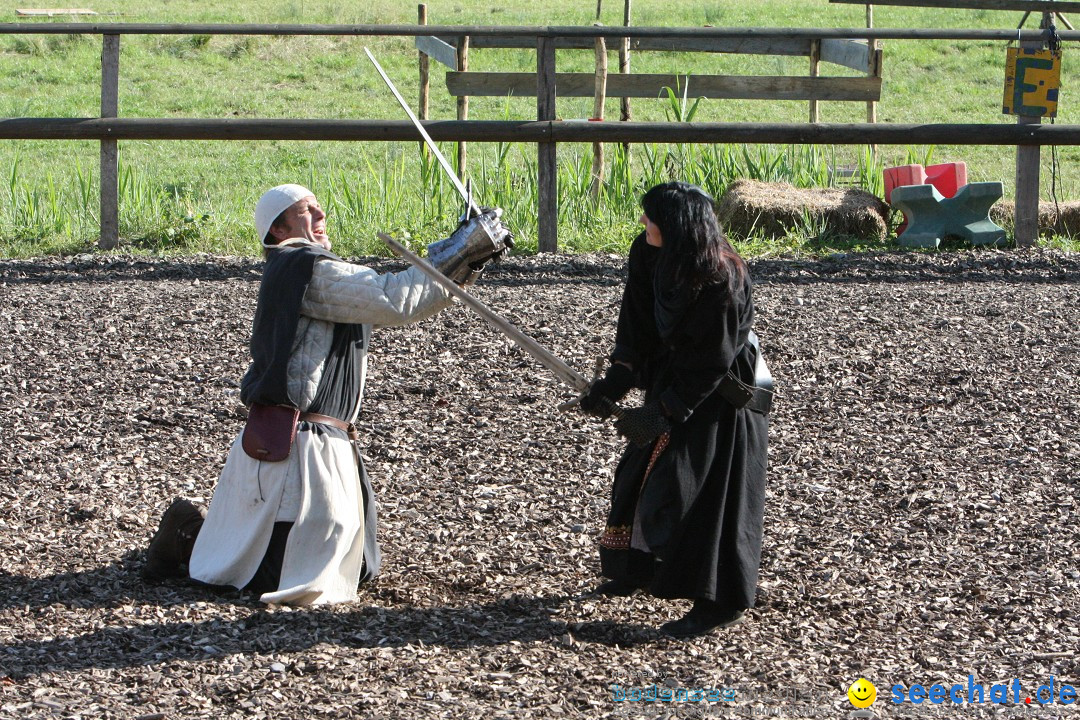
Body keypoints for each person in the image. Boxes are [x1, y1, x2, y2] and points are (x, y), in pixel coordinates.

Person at [142, 183, 511, 605]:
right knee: (279, 577)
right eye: (306, 212)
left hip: (328, 442)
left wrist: (468, 256)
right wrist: (462, 247)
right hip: (297, 445)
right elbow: (394, 300)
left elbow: (410, 300)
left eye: (319, 209)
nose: (320, 218)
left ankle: (213, 537)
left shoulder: (305, 268)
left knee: (358, 567)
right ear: (279, 230)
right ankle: (187, 531)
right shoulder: (306, 269)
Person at [579, 181, 771, 638]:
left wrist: (664, 412)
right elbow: (637, 322)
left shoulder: (722, 277)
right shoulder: (647, 252)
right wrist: (617, 381)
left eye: (652, 218)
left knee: (700, 492)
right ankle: (635, 569)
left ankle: (720, 601)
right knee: (639, 474)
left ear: (678, 227)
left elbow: (711, 362)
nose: (644, 224)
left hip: (722, 393)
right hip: (673, 376)